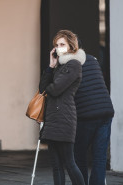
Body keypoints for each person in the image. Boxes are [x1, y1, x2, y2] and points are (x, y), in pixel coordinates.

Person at [39, 30, 86, 185]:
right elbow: (42, 89)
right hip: (52, 118)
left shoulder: (73, 65)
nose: (58, 48)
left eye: (62, 44)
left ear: (71, 46)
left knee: (69, 163)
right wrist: (51, 67)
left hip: (64, 118)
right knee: (56, 166)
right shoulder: (58, 66)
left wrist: (50, 86)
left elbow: (55, 89)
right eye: (56, 45)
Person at [73, 44, 114, 185]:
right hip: (106, 111)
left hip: (87, 115)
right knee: (100, 156)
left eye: (61, 45)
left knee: (79, 153)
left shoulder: (69, 65)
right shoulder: (92, 59)